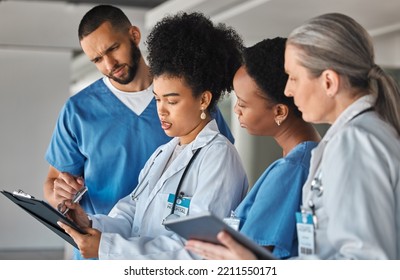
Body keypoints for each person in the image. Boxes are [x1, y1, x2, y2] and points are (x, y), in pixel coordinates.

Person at [190, 12, 400, 260]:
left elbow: (368, 264)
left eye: (294, 78)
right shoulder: (356, 135)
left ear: (329, 82)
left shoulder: (354, 141)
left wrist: (259, 269)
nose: (288, 90)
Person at [43, 5, 234, 259]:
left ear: (134, 35)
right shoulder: (80, 111)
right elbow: (131, 211)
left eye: (112, 49)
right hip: (102, 251)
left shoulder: (195, 109)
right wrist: (73, 209)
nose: (109, 64)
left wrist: (108, 245)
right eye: (97, 59)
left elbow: (197, 245)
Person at [185, 37, 320, 259]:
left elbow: (253, 258)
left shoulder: (292, 169)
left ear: (279, 112)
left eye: (243, 103)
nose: (236, 110)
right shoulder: (308, 156)